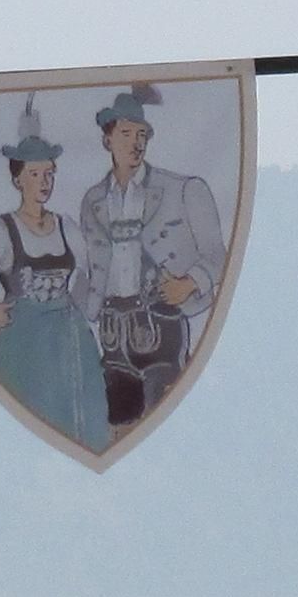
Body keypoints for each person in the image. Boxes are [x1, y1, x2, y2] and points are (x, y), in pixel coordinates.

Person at [0, 108, 111, 452]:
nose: (44, 182)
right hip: (24, 341)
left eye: (49, 174)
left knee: (78, 418)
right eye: (35, 174)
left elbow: (87, 275)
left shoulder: (66, 227)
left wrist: (80, 314)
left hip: (68, 342)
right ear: (18, 179)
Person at [70, 83, 229, 430]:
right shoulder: (92, 200)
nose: (136, 143)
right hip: (112, 332)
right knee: (118, 428)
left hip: (163, 325)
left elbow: (219, 255)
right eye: (126, 133)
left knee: (164, 428)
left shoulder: (185, 189)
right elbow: (88, 266)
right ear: (107, 139)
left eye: (142, 134)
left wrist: (189, 284)